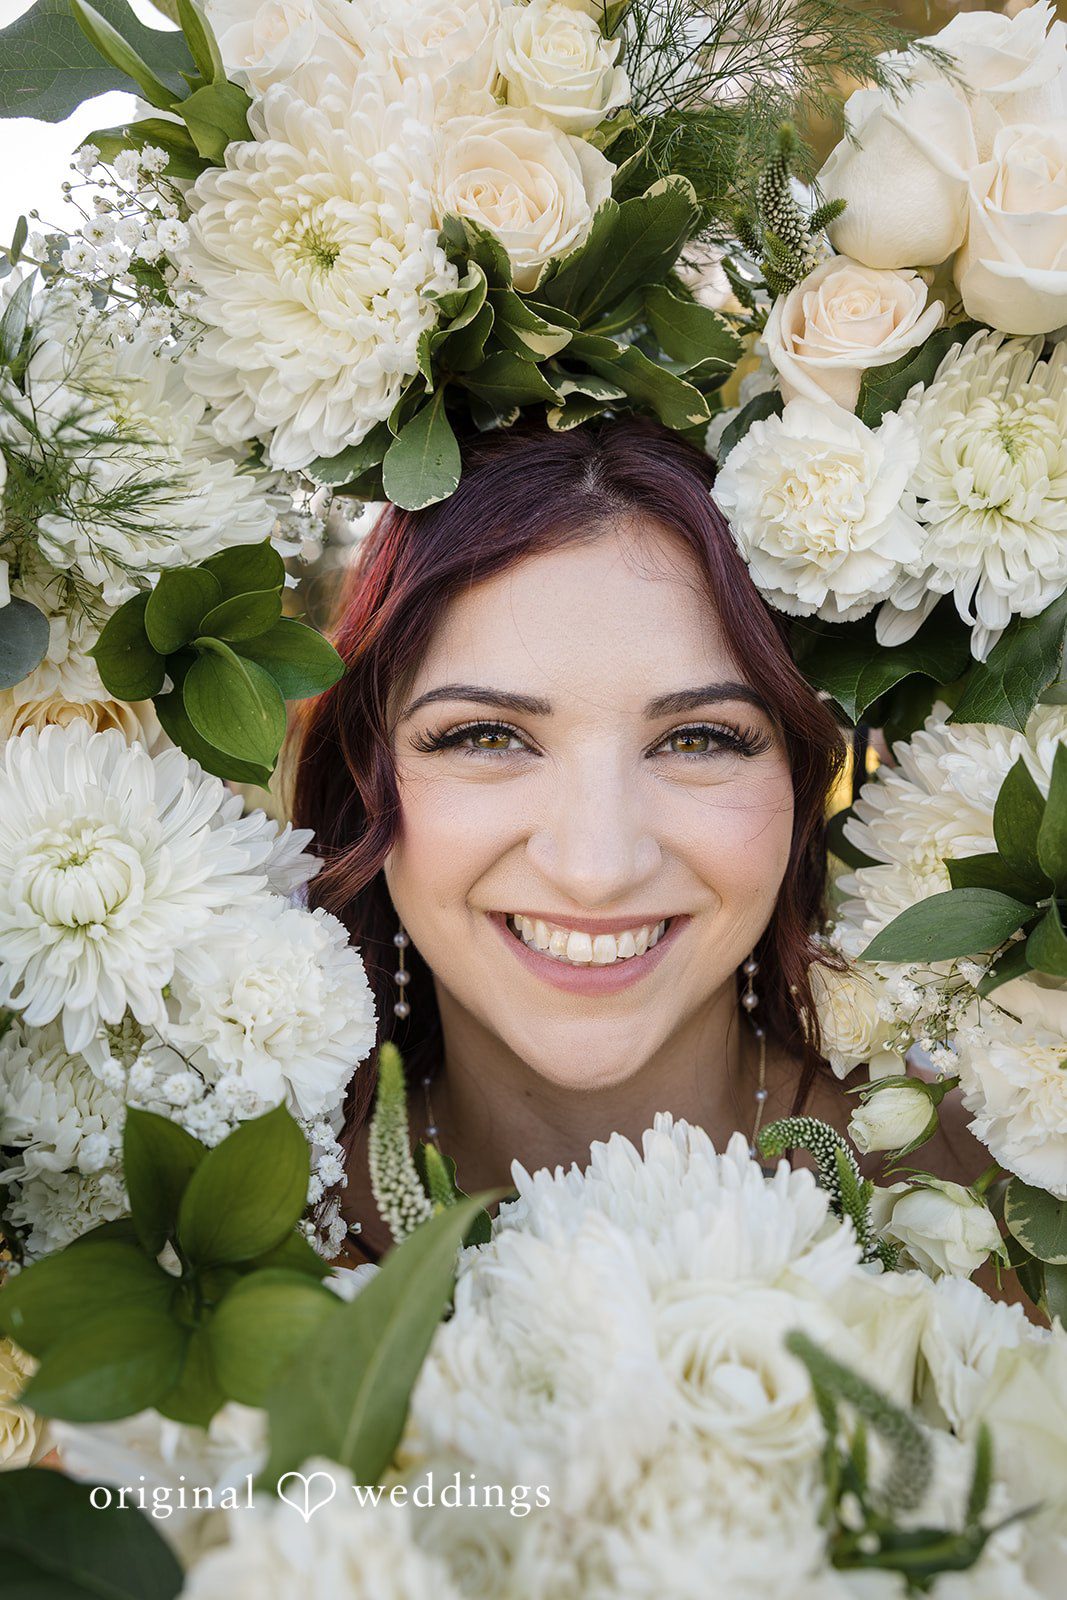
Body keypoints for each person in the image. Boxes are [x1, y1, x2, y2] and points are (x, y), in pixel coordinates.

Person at [293, 415, 986, 1267]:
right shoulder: (235, 1236)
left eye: (698, 739)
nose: (596, 871)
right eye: (485, 736)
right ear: (366, 777)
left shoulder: (984, 1208)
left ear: (805, 780)